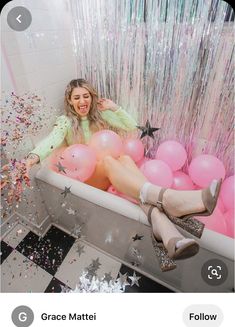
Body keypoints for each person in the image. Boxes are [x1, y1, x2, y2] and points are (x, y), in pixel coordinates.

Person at [25, 78, 221, 272]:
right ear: (69, 100)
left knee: (125, 159)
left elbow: (131, 127)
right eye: (76, 97)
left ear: (92, 98)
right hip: (86, 179)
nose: (82, 102)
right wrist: (34, 155)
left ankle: (166, 235)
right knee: (111, 160)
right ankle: (169, 199)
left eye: (86, 96)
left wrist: (114, 107)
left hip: (107, 171)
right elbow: (53, 139)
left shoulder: (99, 115)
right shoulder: (65, 122)